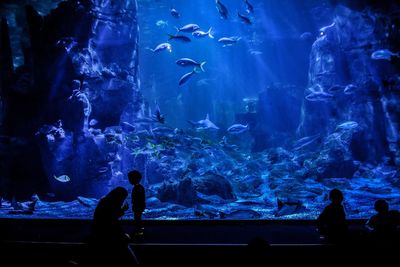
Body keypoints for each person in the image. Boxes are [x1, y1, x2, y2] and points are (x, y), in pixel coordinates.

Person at [86, 187, 138, 266]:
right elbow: (110, 219)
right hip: (106, 235)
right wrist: (123, 210)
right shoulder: (109, 203)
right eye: (123, 197)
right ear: (119, 196)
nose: (123, 200)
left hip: (102, 233)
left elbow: (111, 218)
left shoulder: (106, 201)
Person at [128, 170, 146, 236]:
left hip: (138, 206)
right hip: (139, 205)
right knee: (138, 217)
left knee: (137, 218)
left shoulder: (137, 188)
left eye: (130, 179)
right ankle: (140, 228)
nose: (129, 180)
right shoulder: (139, 187)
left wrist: (135, 205)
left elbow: (138, 198)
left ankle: (139, 231)